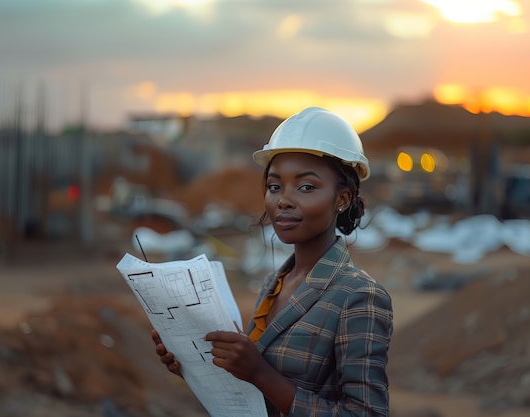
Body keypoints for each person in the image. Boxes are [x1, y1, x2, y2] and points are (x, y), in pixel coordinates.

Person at [151, 107, 393, 416]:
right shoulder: (274, 283)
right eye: (274, 186)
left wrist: (259, 373)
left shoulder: (359, 296)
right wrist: (194, 363)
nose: (283, 200)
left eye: (306, 187)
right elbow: (254, 396)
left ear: (342, 198)